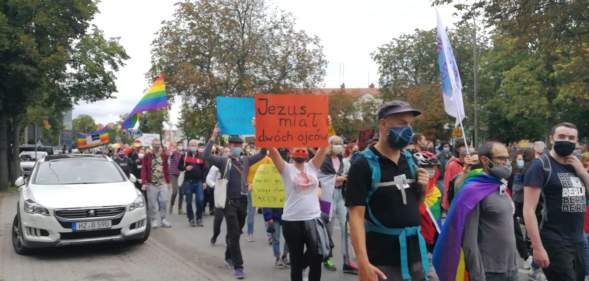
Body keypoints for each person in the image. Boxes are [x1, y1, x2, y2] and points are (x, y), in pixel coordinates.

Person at [346, 100, 435, 281]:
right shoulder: (362, 164)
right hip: (382, 258)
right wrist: (363, 263)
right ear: (383, 123)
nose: (407, 129)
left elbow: (413, 207)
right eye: (402, 123)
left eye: (409, 124)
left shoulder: (409, 160)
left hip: (416, 253)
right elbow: (355, 217)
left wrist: (422, 189)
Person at [434, 141, 519, 281]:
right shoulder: (474, 190)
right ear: (485, 160)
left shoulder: (499, 185)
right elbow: (469, 241)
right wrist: (477, 275)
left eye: (508, 158)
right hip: (489, 271)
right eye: (501, 158)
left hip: (511, 268)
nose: (507, 163)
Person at [524, 122, 589, 281]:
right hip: (554, 240)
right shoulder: (541, 166)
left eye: (571, 138)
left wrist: (581, 171)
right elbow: (528, 210)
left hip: (578, 239)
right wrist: (537, 248)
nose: (566, 140)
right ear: (551, 139)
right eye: (561, 136)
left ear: (577, 141)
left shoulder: (575, 165)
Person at [204, 128, 267, 280]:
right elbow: (205, 155)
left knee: (236, 234)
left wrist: (261, 132)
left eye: (238, 145)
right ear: (229, 147)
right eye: (233, 145)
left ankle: (228, 256)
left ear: (242, 147)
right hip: (228, 203)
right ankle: (239, 267)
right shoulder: (223, 161)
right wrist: (213, 136)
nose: (235, 147)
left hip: (243, 202)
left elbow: (263, 153)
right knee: (233, 233)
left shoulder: (246, 160)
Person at [268, 145, 330, 281]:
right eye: (297, 149)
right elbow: (271, 149)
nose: (300, 152)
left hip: (313, 219)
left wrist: (327, 126)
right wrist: (260, 129)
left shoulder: (312, 166)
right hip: (292, 221)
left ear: (308, 153)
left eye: (303, 149)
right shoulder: (285, 169)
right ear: (290, 153)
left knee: (316, 256)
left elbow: (324, 147)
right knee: (296, 261)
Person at [319, 135, 358, 273]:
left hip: (340, 195)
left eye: (340, 143)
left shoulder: (342, 160)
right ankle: (327, 257)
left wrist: (342, 178)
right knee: (327, 228)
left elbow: (344, 174)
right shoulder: (323, 160)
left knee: (345, 228)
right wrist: (337, 178)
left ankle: (347, 261)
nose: (338, 146)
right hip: (327, 197)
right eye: (335, 143)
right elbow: (320, 177)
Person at [141, 139, 172, 228]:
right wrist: (144, 182)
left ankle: (163, 219)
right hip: (151, 184)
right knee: (152, 204)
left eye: (158, 144)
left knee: (164, 201)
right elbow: (144, 169)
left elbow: (166, 168)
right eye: (155, 144)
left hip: (162, 183)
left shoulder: (163, 156)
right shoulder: (147, 156)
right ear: (152, 145)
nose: (157, 146)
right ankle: (153, 219)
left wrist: (168, 181)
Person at [179, 140, 208, 227]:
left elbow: (204, 170)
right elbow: (179, 167)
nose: (193, 146)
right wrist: (185, 167)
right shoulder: (185, 156)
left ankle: (199, 218)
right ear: (188, 146)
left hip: (199, 182)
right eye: (191, 145)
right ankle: (191, 218)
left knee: (200, 200)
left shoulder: (201, 156)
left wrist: (204, 181)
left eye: (195, 145)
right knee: (188, 201)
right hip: (188, 182)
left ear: (197, 146)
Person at [208, 146, 230, 246]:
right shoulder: (215, 167)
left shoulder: (233, 165)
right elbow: (209, 179)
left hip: (230, 196)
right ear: (222, 154)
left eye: (229, 152)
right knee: (218, 219)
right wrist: (215, 186)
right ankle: (215, 234)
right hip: (220, 195)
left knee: (231, 219)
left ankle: (228, 239)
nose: (227, 153)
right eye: (225, 152)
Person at [169, 141, 184, 215]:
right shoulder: (173, 153)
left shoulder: (184, 154)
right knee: (175, 191)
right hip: (174, 174)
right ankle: (171, 206)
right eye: (179, 145)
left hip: (181, 174)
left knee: (181, 192)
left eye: (181, 145)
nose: (180, 146)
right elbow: (171, 155)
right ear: (177, 146)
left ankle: (180, 209)